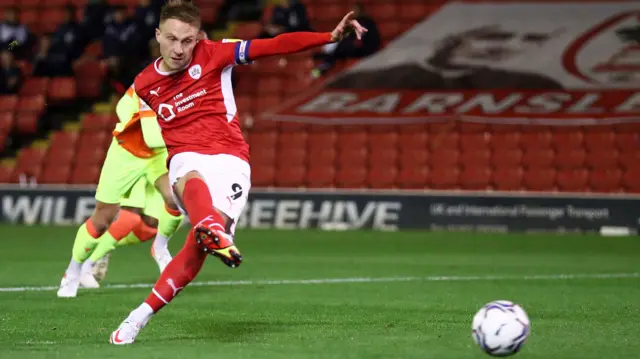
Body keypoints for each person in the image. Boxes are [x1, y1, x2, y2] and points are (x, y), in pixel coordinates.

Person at [108, 0, 366, 345]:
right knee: (188, 173)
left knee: (195, 250)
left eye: (187, 41)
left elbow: (274, 46)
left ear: (198, 37)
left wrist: (329, 36)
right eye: (170, 39)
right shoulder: (145, 84)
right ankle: (213, 228)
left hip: (230, 159)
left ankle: (139, 315)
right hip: (186, 158)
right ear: (158, 35)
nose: (178, 49)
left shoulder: (217, 53)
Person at [57, 83, 184, 298]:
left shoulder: (187, 83)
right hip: (128, 153)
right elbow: (153, 136)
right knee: (104, 220)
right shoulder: (148, 84)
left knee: (174, 202)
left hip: (157, 154)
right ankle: (74, 270)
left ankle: (160, 248)